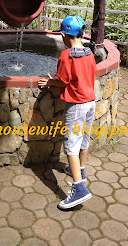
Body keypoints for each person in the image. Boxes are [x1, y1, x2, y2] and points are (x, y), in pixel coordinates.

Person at [38, 15, 96, 209]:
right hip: (90, 103)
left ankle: (79, 189)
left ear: (64, 35)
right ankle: (81, 170)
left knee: (71, 145)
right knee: (84, 139)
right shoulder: (89, 53)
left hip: (77, 106)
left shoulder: (66, 56)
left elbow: (62, 81)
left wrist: (49, 82)